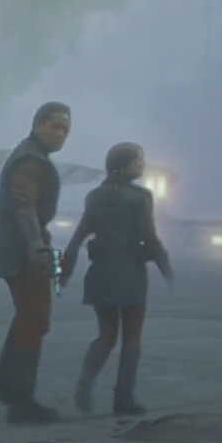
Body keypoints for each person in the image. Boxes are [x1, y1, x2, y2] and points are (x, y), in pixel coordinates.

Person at [60, 142, 173, 415]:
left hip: (101, 272)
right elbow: (150, 236)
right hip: (130, 271)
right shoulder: (141, 197)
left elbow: (77, 239)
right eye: (138, 160)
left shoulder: (95, 197)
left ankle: (86, 378)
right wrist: (165, 266)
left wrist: (64, 274)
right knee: (132, 338)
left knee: (106, 336)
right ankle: (123, 399)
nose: (142, 164)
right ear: (125, 165)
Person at [0, 102, 73, 423]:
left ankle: (5, 385)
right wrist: (36, 247)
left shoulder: (32, 155)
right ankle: (21, 403)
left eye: (66, 130)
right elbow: (24, 207)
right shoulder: (31, 161)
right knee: (35, 319)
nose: (61, 135)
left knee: (29, 317)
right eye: (56, 127)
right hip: (22, 249)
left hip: (21, 246)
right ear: (38, 124)